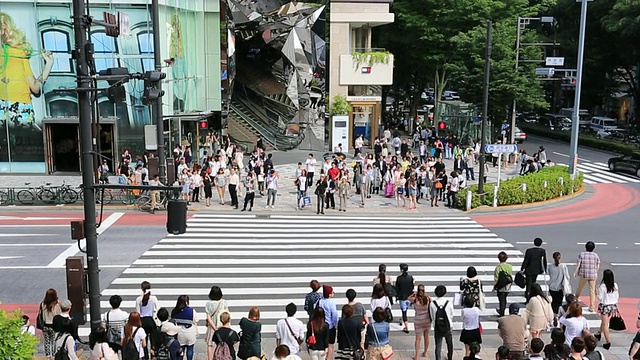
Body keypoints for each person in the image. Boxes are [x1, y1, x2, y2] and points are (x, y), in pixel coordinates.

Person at [594, 269, 619, 349]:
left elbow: (600, 298)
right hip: (612, 306)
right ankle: (598, 333)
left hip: (605, 306)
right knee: (604, 321)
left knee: (605, 324)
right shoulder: (615, 285)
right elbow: (617, 296)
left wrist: (596, 292)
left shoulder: (602, 286)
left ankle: (608, 342)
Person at [574, 241, 601, 312]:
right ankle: (592, 306)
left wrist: (576, 272)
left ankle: (575, 299)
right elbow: (598, 264)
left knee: (580, 288)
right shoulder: (595, 255)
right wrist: (596, 271)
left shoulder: (582, 254)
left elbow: (579, 264)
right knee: (592, 291)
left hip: (584, 274)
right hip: (593, 275)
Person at [430, 285, 453, 360]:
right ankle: (450, 356)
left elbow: (432, 316)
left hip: (437, 326)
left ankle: (438, 358)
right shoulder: (448, 302)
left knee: (438, 345)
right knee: (449, 343)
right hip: (447, 325)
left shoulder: (432, 304)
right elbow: (451, 314)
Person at [316, 285, 339, 360]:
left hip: (321, 325)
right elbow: (334, 315)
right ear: (329, 294)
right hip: (330, 326)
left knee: (323, 343)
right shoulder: (332, 303)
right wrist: (335, 324)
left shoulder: (320, 301)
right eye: (332, 292)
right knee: (330, 345)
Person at [395, 263, 415, 333]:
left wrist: (396, 296)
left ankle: (406, 327)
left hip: (402, 297)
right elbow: (412, 287)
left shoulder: (399, 278)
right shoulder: (410, 277)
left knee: (404, 312)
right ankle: (403, 320)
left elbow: (397, 289)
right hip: (409, 297)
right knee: (405, 309)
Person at [493, 251, 512, 317]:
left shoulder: (498, 268)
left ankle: (502, 312)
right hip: (507, 286)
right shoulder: (509, 266)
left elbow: (496, 278)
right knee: (504, 298)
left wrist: (494, 286)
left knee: (501, 300)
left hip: (500, 286)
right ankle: (501, 310)